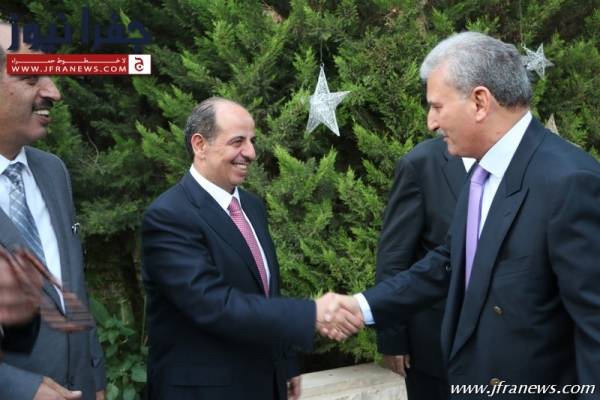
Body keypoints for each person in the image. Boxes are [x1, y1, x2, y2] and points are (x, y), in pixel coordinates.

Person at [327, 31, 600, 395]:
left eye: (437, 107)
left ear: (480, 102)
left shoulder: (570, 181)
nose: (430, 122)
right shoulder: (482, 172)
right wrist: (361, 307)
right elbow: (451, 261)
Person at [141, 97, 360, 400]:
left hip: (265, 382)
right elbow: (212, 304)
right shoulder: (168, 216)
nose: (251, 153)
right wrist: (311, 313)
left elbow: (266, 291)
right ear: (200, 144)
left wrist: (285, 362)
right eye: (238, 142)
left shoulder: (252, 207)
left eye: (252, 141)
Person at [0, 23, 106, 400]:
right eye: (32, 78)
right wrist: (21, 388)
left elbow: (72, 289)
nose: (54, 92)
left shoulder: (53, 172)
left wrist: (96, 380)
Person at [376, 137, 473, 399]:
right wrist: (392, 337)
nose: (433, 121)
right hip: (434, 346)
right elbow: (394, 257)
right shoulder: (421, 163)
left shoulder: (515, 163)